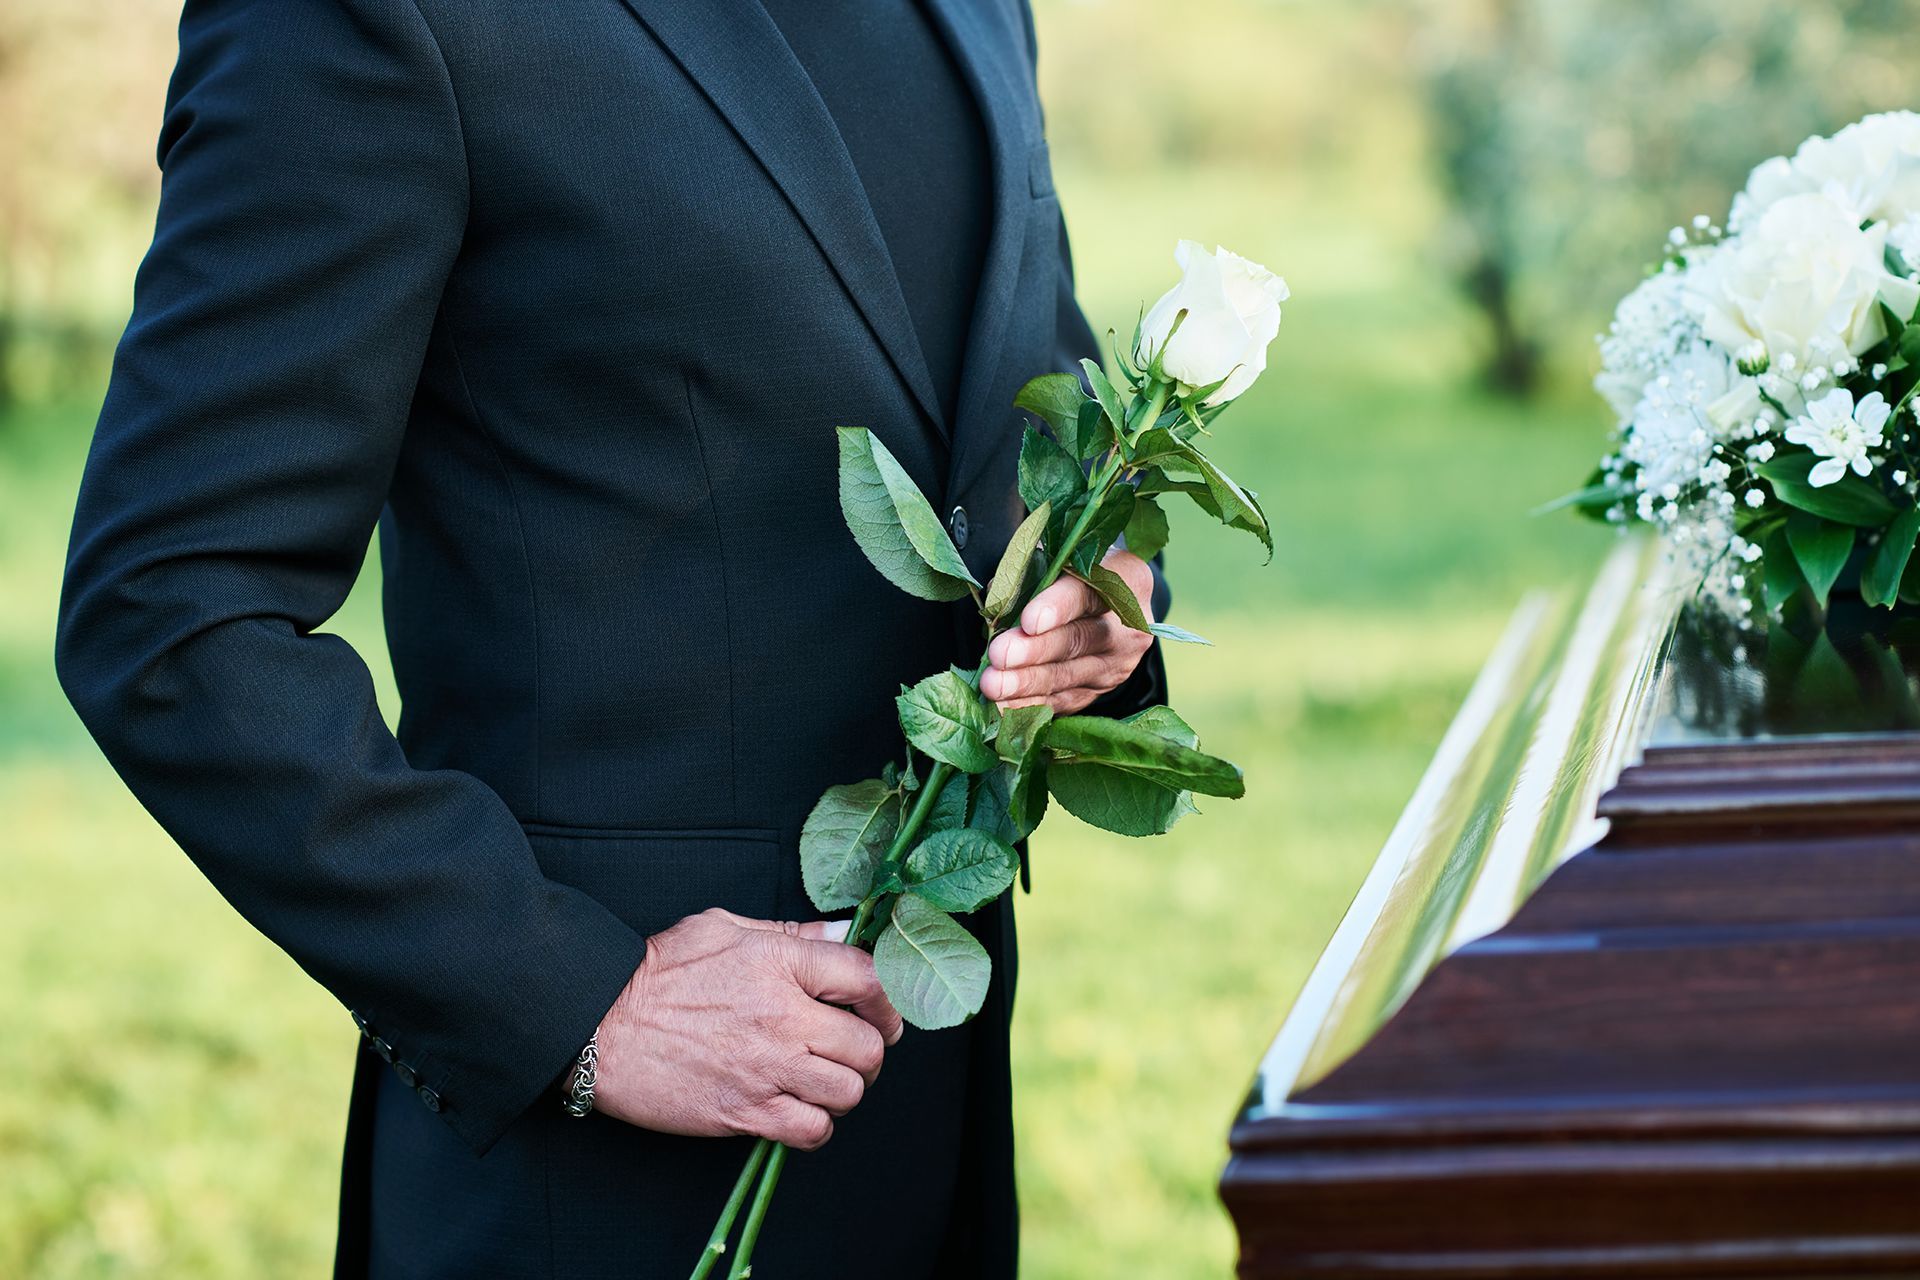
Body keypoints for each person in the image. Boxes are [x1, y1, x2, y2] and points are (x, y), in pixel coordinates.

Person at [55, 0, 1169, 1275]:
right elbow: (170, 603)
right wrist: (577, 1000)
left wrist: (1099, 589)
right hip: (594, 1177)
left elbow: (1025, 406)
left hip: (932, 1126)